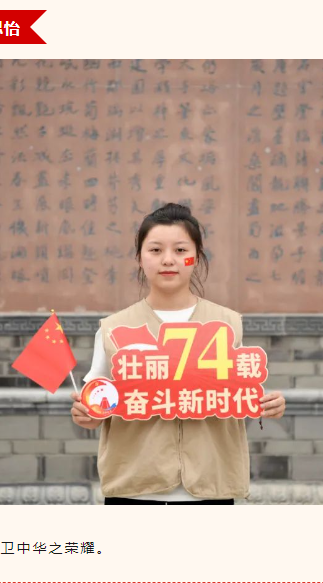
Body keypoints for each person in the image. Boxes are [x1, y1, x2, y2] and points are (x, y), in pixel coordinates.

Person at [71, 203, 286, 504]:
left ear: (196, 257)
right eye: (155, 250)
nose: (168, 260)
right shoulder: (113, 329)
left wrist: (270, 405)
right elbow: (97, 406)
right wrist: (87, 415)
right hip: (134, 489)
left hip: (211, 488)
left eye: (181, 250)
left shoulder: (227, 324)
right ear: (140, 258)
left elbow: (241, 396)